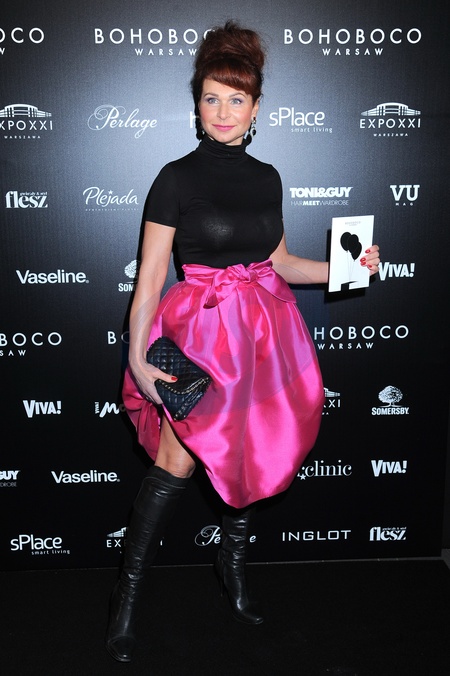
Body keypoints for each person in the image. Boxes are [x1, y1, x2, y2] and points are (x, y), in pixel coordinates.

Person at [106, 21, 380, 663]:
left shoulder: (268, 178)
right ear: (197, 105)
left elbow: (280, 263)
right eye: (212, 98)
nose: (224, 112)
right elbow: (150, 279)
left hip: (262, 336)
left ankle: (231, 570)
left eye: (237, 99)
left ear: (257, 108)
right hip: (200, 335)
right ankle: (126, 598)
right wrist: (138, 358)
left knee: (250, 456)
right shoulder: (174, 178)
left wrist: (349, 268)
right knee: (174, 465)